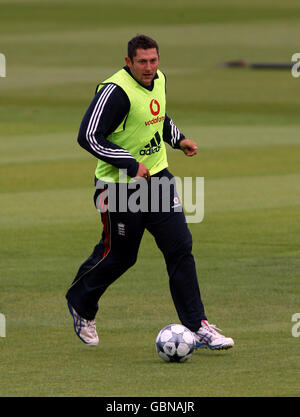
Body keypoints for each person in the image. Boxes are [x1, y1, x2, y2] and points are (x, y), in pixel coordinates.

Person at [66, 34, 234, 350]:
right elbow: (88, 136)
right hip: (118, 188)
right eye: (142, 61)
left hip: (157, 179)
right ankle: (81, 302)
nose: (148, 67)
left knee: (180, 246)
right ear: (128, 62)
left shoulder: (159, 79)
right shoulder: (115, 91)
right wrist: (130, 164)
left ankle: (198, 326)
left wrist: (177, 138)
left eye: (153, 60)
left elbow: (155, 117)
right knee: (120, 255)